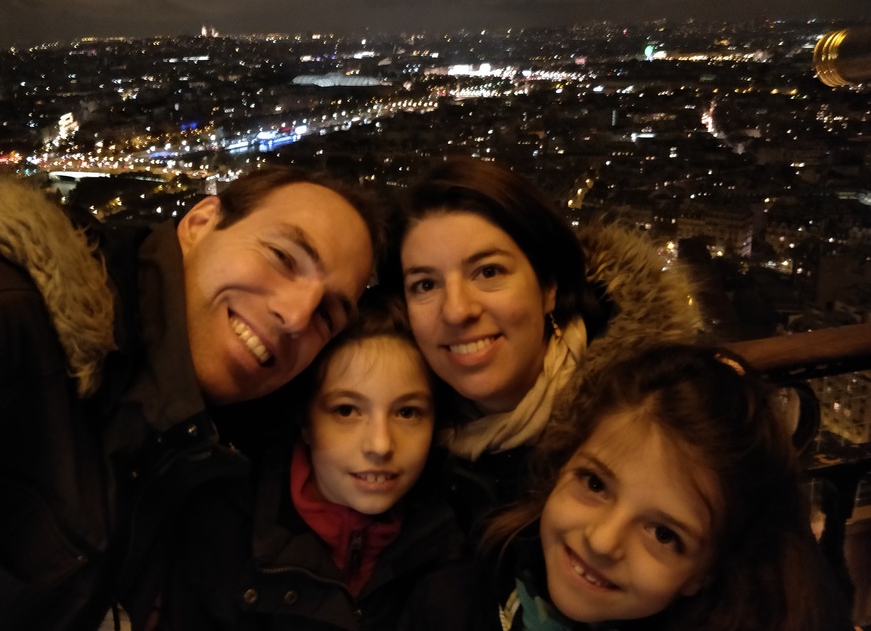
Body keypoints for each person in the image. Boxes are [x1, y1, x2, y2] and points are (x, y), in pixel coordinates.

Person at [0, 167, 380, 631]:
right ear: (201, 221)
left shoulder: (198, 450)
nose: (296, 316)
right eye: (283, 257)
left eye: (328, 317)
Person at [384, 157, 701, 526]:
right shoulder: (397, 442)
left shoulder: (652, 425)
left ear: (548, 287)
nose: (456, 311)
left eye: (488, 272)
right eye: (425, 284)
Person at [156, 290, 498, 631]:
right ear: (305, 422)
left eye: (407, 412)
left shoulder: (456, 553)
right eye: (346, 410)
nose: (380, 445)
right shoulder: (222, 533)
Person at [484, 344, 853, 631]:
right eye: (595, 484)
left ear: (703, 573)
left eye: (663, 534)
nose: (602, 541)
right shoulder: (493, 561)